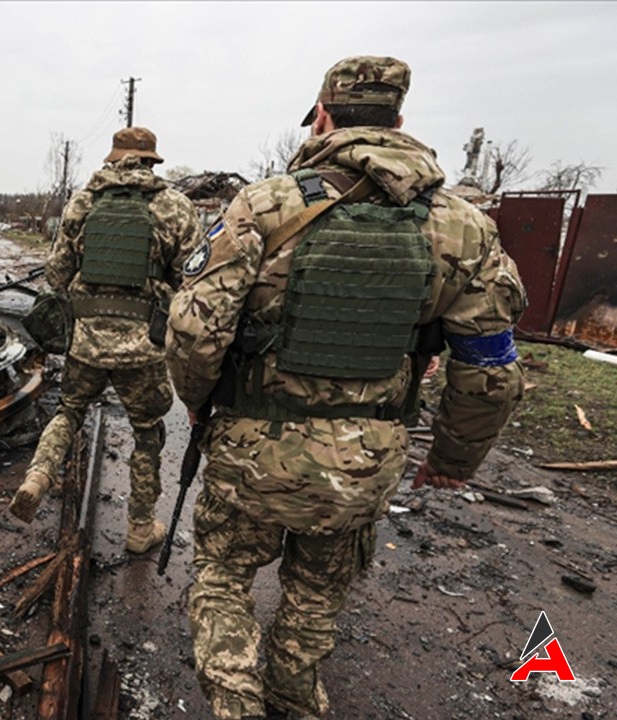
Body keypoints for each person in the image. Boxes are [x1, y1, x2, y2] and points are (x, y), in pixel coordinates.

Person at [165, 56, 525, 719]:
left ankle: (235, 704)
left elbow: (195, 329)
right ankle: (296, 694)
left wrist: (196, 397)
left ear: (324, 117)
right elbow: (491, 367)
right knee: (317, 590)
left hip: (251, 453)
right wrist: (452, 461)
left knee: (221, 577)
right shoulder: (462, 225)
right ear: (400, 120)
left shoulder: (265, 204)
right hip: (366, 461)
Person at [8, 126, 202, 554]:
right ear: (152, 162)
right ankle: (139, 527)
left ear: (112, 160)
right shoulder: (174, 206)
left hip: (86, 344)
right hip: (144, 349)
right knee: (148, 432)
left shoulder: (82, 202)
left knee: (69, 411)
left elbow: (56, 275)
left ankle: (38, 476)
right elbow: (193, 280)